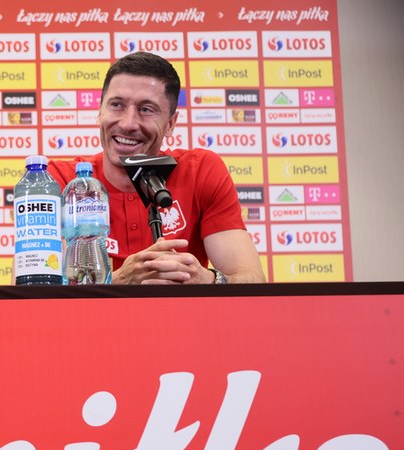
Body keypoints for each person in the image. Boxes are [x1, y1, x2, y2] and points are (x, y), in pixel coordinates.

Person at [48, 52, 265, 285]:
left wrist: (207, 280)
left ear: (170, 124)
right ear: (100, 112)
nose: (128, 123)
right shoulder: (60, 180)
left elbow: (253, 281)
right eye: (116, 105)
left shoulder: (201, 169)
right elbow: (36, 291)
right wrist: (120, 281)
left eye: (146, 109)